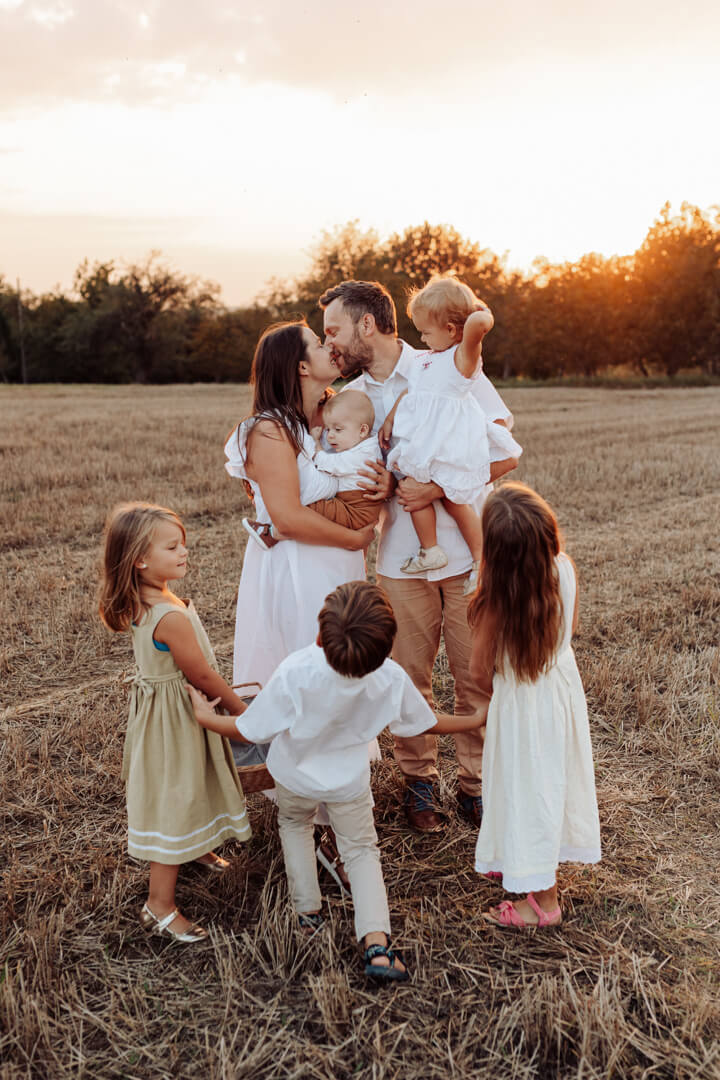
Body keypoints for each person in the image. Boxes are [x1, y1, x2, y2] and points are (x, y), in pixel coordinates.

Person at [186, 581, 488, 981]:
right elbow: (427, 722)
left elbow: (252, 729)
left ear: (319, 632)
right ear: (386, 645)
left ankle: (308, 915)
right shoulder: (390, 677)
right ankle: (377, 945)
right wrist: (474, 719)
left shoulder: (297, 669)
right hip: (348, 785)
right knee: (362, 852)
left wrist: (205, 717)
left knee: (295, 829)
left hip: (293, 778)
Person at [320, 279, 517, 833]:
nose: (327, 340)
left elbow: (503, 452)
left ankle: (477, 784)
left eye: (334, 328)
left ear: (366, 324)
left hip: (469, 555)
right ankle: (419, 781)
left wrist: (435, 489)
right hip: (399, 556)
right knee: (408, 675)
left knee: (476, 672)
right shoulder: (350, 398)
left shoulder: (445, 365)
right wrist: (373, 487)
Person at [224, 321, 380, 886]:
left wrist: (376, 491)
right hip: (295, 572)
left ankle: (338, 810)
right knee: (302, 675)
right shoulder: (269, 430)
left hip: (332, 567)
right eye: (318, 344)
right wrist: (358, 537)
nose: (328, 348)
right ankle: (311, 822)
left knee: (339, 681)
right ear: (297, 365)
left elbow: (350, 486)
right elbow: (286, 517)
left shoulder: (331, 418)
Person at [98, 502, 252, 944]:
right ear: (140, 559)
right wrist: (242, 710)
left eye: (182, 542)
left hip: (161, 714)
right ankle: (159, 905)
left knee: (190, 783)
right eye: (171, 546)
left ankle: (196, 845)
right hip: (179, 715)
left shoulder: (148, 598)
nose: (184, 550)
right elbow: (202, 675)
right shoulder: (169, 617)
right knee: (176, 795)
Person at [468, 483, 601, 928]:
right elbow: (571, 629)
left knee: (528, 793)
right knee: (551, 786)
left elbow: (476, 672)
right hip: (560, 696)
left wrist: (496, 696)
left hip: (522, 708)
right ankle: (540, 875)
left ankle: (542, 903)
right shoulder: (564, 569)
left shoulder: (495, 602)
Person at [379, 276, 522, 594]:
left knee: (456, 502)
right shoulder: (425, 359)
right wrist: (391, 418)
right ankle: (430, 550)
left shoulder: (462, 359)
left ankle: (481, 559)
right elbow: (412, 394)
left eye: (427, 331)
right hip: (423, 443)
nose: (422, 337)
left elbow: (478, 326)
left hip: (448, 444)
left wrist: (480, 311)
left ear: (452, 330)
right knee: (411, 490)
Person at [242, 389, 380, 550]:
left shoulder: (362, 455)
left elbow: (327, 463)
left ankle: (274, 532)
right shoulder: (368, 444)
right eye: (328, 429)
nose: (330, 436)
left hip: (355, 511)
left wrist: (316, 443)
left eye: (338, 430)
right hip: (356, 507)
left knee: (307, 510)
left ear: (362, 430)